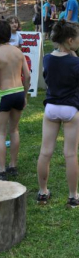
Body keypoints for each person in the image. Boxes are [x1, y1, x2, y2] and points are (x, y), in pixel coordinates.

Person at [37, 20, 79, 207]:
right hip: (70, 109)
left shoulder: (48, 58)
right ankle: (73, 196)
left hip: (51, 107)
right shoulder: (77, 62)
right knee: (70, 154)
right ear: (69, 40)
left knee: (45, 152)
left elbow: (49, 77)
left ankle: (43, 192)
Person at [0, 20, 30, 181]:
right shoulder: (18, 52)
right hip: (18, 92)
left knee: (1, 133)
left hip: (4, 93)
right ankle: (13, 165)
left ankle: (2, 169)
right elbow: (28, 75)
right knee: (14, 130)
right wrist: (25, 95)